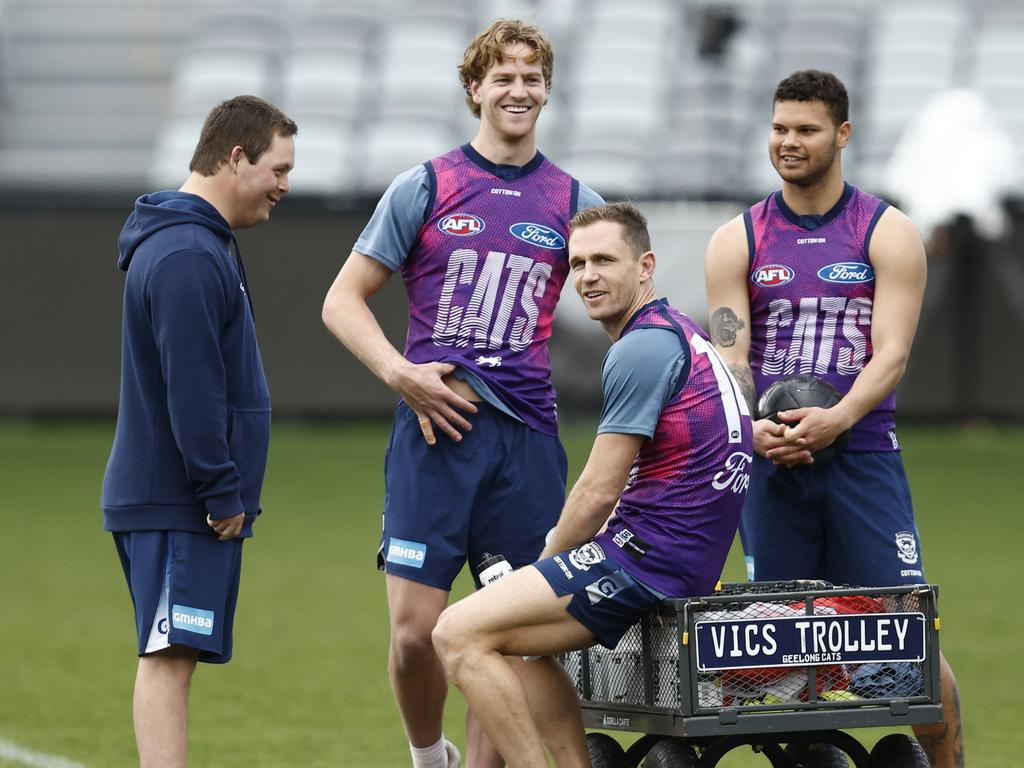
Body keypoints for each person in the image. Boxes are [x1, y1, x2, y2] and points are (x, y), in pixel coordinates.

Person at [320, 19, 602, 768]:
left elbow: (629, 311)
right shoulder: (426, 185)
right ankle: (427, 757)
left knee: (504, 636)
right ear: (474, 89)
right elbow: (342, 300)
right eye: (503, 77)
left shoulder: (576, 201)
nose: (519, 90)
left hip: (528, 444)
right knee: (415, 634)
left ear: (547, 90)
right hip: (434, 436)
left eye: (532, 77)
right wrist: (399, 372)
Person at [703, 69, 964, 768]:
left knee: (904, 637)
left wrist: (839, 418)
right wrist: (750, 429)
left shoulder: (886, 231)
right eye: (780, 128)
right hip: (772, 463)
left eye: (806, 129)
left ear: (841, 135)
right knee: (782, 652)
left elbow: (893, 355)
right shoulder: (737, 239)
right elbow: (731, 355)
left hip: (864, 457)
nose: (789, 142)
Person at [432, 201, 753, 767]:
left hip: (647, 560)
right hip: (675, 553)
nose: (588, 276)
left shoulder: (642, 348)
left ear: (646, 265)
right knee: (515, 644)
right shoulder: (679, 333)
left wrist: (545, 562)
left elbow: (597, 490)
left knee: (456, 633)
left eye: (604, 260)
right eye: (578, 263)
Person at [101, 95, 296, 768]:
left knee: (174, 655)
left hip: (181, 500)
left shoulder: (200, 242)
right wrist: (219, 491)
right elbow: (194, 389)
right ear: (236, 158)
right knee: (168, 656)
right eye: (278, 168)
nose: (285, 186)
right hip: (178, 501)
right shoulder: (187, 251)